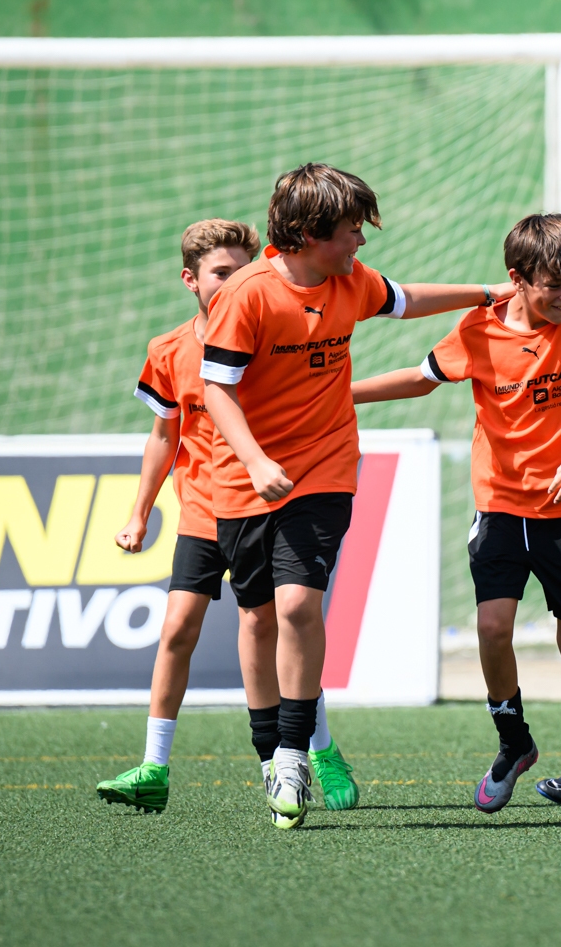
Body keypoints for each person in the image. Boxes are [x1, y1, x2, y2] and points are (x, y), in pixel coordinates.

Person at [201, 163, 502, 829]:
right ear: (309, 234)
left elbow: (407, 299)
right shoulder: (248, 295)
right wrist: (254, 460)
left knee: (298, 605)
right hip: (245, 477)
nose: (362, 241)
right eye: (351, 230)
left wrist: (489, 292)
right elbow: (216, 389)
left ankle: (293, 753)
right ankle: (267, 749)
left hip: (326, 467)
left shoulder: (351, 281)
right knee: (257, 618)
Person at [351, 213, 561, 826]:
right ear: (517, 278)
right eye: (554, 285)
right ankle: (514, 742)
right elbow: (420, 379)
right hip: (499, 505)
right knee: (493, 628)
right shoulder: (479, 330)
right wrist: (339, 394)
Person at [97, 220, 372, 812]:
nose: (233, 282)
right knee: (179, 628)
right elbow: (163, 436)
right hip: (204, 508)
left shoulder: (267, 324)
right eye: (220, 273)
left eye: (242, 270)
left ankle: (316, 750)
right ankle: (155, 764)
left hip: (268, 499)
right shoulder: (169, 350)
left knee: (287, 619)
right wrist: (139, 514)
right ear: (190, 280)